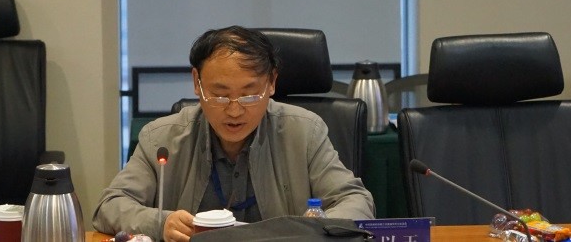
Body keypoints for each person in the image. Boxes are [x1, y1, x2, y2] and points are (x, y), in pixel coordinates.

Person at [92, 26, 374, 241]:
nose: (235, 110)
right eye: (220, 95)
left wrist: (309, 232)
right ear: (197, 83)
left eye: (250, 95)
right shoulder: (161, 138)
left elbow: (356, 201)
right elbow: (109, 206)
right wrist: (161, 223)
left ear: (272, 82)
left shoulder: (304, 132)